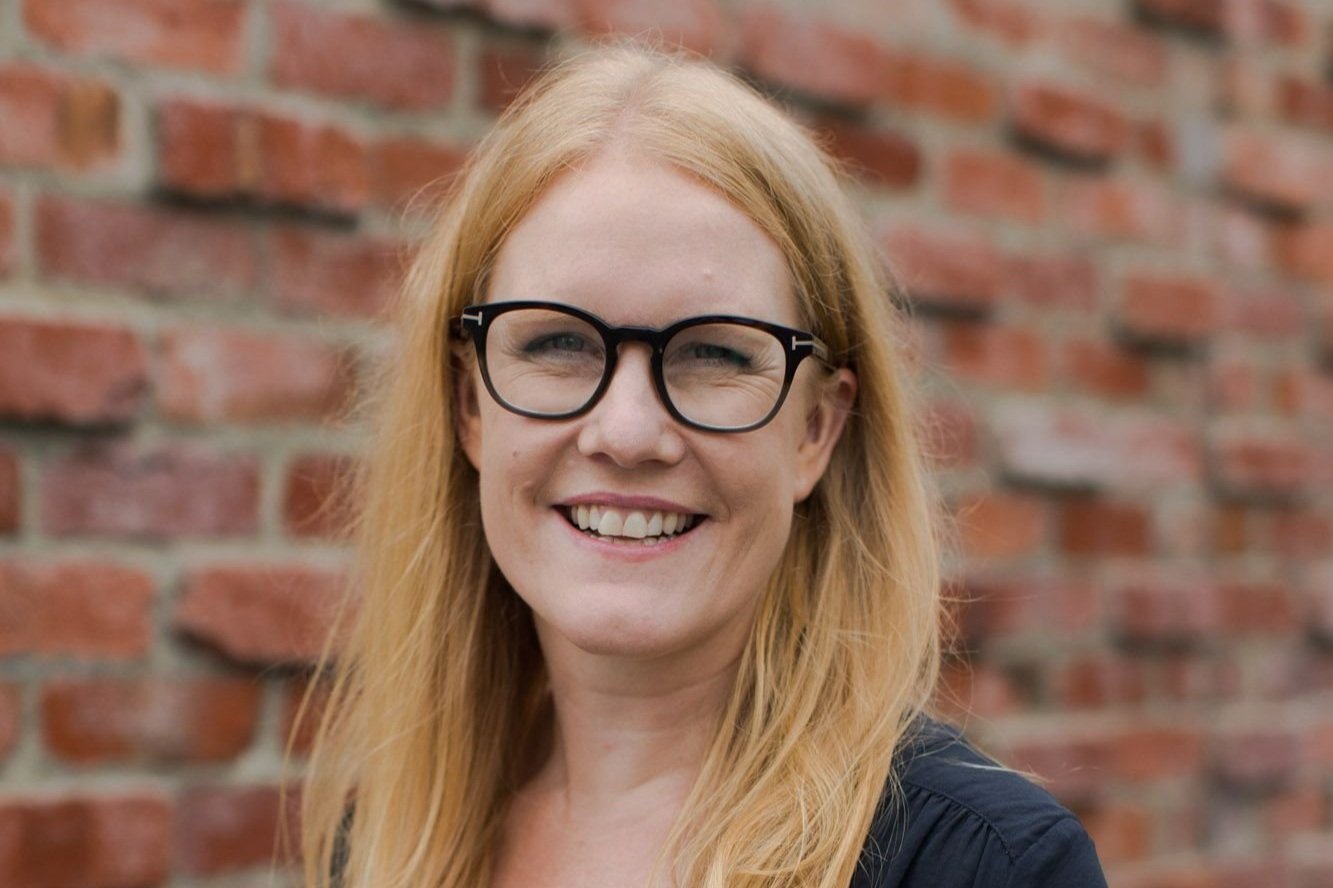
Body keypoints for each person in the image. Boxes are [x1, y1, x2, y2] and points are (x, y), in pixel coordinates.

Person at [294, 42, 1109, 888]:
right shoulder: (385, 841)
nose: (627, 431)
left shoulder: (981, 868)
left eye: (714, 354)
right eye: (559, 343)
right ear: (469, 405)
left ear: (816, 430)